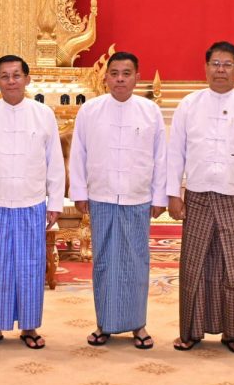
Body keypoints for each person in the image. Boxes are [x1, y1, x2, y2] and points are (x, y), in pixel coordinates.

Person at [167, 41, 234, 354]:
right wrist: (173, 193)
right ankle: (191, 331)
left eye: (227, 64)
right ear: (205, 67)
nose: (220, 70)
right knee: (194, 266)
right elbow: (175, 153)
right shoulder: (189, 104)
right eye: (215, 63)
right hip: (197, 195)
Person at [0, 55, 65, 350]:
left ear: (27, 79)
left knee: (31, 266)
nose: (11, 81)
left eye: (16, 75)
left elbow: (54, 161)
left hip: (31, 201)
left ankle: (30, 327)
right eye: (5, 76)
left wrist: (55, 201)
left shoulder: (43, 114)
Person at [68, 51, 167, 349]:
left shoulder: (150, 111)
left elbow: (161, 157)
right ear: (106, 77)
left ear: (137, 77)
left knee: (137, 262)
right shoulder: (90, 110)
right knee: (104, 262)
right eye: (114, 73)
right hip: (102, 195)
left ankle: (138, 325)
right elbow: (78, 154)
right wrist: (79, 192)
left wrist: (159, 196)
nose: (120, 79)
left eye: (127, 73)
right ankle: (104, 324)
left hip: (138, 196)